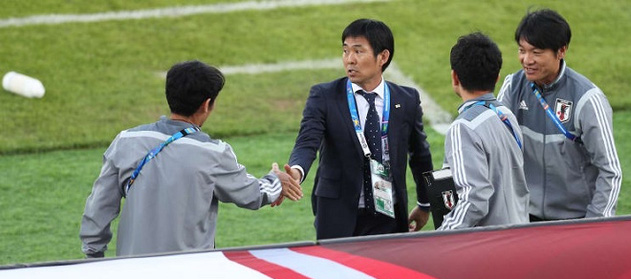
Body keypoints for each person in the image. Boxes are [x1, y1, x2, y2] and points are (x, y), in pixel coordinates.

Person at [80, 60, 302, 258]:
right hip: (191, 275)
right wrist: (277, 180)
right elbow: (253, 194)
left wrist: (94, 253)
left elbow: (98, 206)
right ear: (207, 104)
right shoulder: (213, 153)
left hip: (132, 271)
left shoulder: (126, 141)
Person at [282, 18, 434, 239]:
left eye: (358, 51)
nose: (349, 60)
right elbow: (307, 142)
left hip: (390, 216)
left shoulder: (407, 99)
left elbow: (420, 155)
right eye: (345, 51)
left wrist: (425, 203)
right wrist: (296, 171)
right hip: (337, 216)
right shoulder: (324, 96)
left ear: (383, 57)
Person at [497, 9, 622, 221]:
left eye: (536, 52)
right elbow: (494, 146)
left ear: (561, 50)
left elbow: (610, 171)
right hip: (525, 218)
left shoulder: (588, 100)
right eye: (521, 50)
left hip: (575, 221)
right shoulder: (512, 87)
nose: (527, 60)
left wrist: (594, 222)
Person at [439, 32, 529, 230]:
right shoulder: (507, 115)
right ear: (497, 77)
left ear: (455, 77)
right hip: (521, 234)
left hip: (489, 247)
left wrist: (443, 236)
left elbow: (474, 197)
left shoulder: (463, 127)